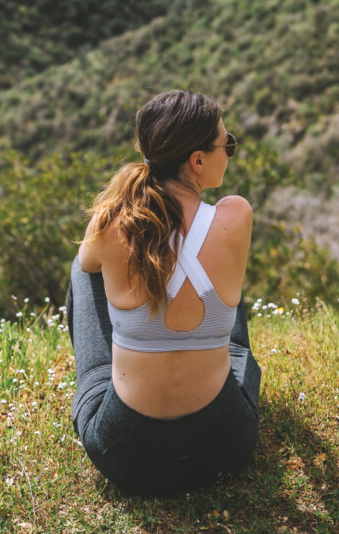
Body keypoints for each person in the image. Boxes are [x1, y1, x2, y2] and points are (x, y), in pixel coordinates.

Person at [67, 89, 260, 496]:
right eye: (228, 144)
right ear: (197, 160)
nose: (231, 150)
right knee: (230, 315)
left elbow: (87, 267)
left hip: (126, 456)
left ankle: (118, 367)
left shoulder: (112, 221)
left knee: (82, 269)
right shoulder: (236, 216)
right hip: (225, 449)